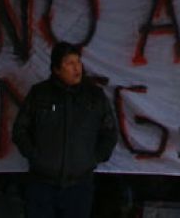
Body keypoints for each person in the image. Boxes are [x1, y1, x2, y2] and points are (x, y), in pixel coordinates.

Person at [12, 42, 117, 218]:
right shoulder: (39, 94)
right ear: (56, 69)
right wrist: (35, 156)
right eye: (69, 63)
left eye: (78, 62)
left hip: (79, 185)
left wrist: (93, 159)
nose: (77, 68)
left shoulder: (94, 96)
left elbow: (110, 133)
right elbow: (20, 130)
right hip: (42, 184)